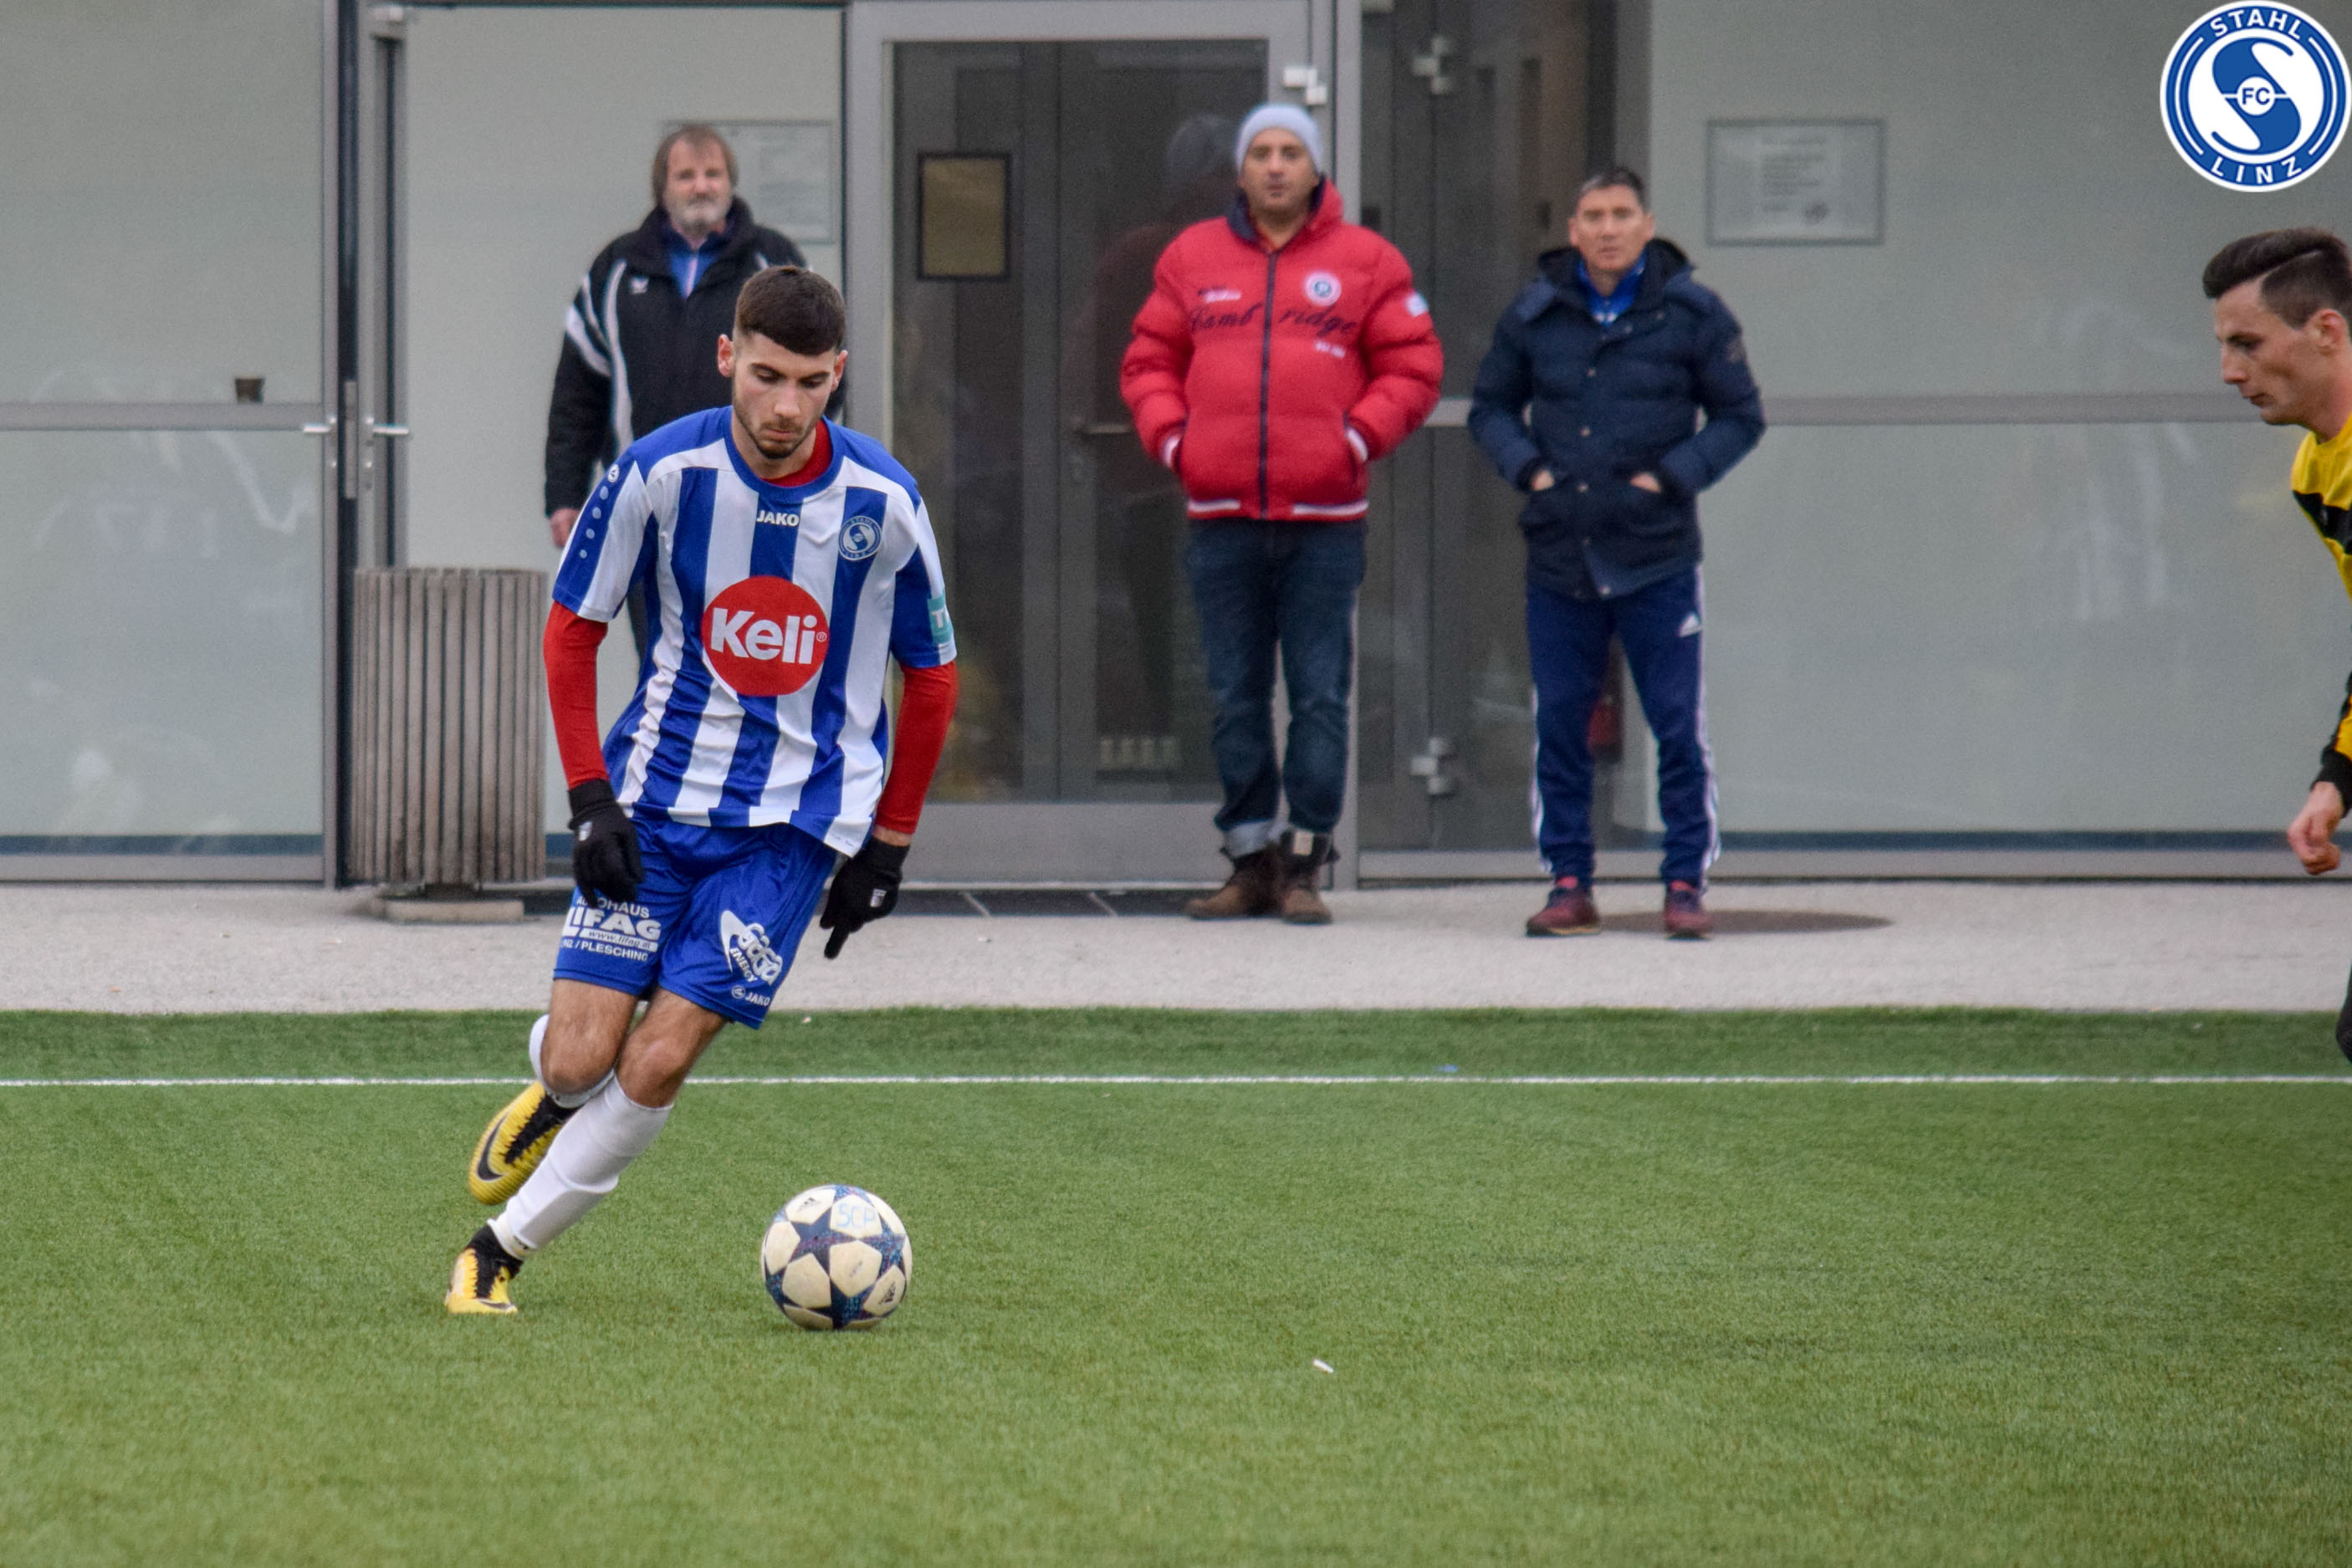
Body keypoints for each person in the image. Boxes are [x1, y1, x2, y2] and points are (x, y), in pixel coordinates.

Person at [446, 267, 959, 1315]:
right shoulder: (658, 471)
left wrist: (888, 845)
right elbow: (572, 630)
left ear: (838, 376)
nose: (785, 407)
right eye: (765, 376)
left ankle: (498, 1250)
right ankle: (555, 1090)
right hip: (654, 801)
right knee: (583, 1056)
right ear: (728, 358)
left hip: (793, 828)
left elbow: (933, 675)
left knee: (659, 1058)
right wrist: (590, 799)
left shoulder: (885, 503)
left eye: (809, 383)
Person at [1120, 103, 1442, 923]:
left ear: (1314, 167)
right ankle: (1248, 862)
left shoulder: (1367, 260)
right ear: (1240, 169)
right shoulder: (1192, 256)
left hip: (1324, 522)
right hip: (1220, 516)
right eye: (1260, 152)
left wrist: (1355, 439)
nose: (1274, 165)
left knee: (1319, 695)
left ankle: (1304, 864)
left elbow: (1412, 367)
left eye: (1290, 152)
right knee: (1232, 694)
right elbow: (1148, 361)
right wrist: (1177, 443)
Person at [1468, 167, 1763, 941]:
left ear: (1646, 224)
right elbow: (1490, 408)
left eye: (1621, 215)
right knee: (1562, 723)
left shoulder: (1694, 313)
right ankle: (1570, 883)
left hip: (1657, 555)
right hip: (1561, 555)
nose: (1607, 229)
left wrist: (1670, 478)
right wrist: (1531, 472)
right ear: (1573, 230)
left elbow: (1740, 416)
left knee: (1676, 726)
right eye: (1593, 216)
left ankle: (1685, 883)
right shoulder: (1535, 314)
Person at [545, 125, 810, 652]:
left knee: (745, 650)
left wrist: (794, 474)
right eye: (686, 175)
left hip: (752, 498)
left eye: (713, 174)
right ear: (661, 187)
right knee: (659, 654)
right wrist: (565, 496)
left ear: (731, 183)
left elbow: (814, 377)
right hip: (645, 500)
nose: (701, 187)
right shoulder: (616, 270)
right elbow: (578, 396)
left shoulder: (773, 264)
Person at [2205, 227, 2352, 1062]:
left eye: (2247, 344)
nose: (2229, 371)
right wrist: (2337, 780)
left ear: (2325, 331)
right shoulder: (2313, 471)